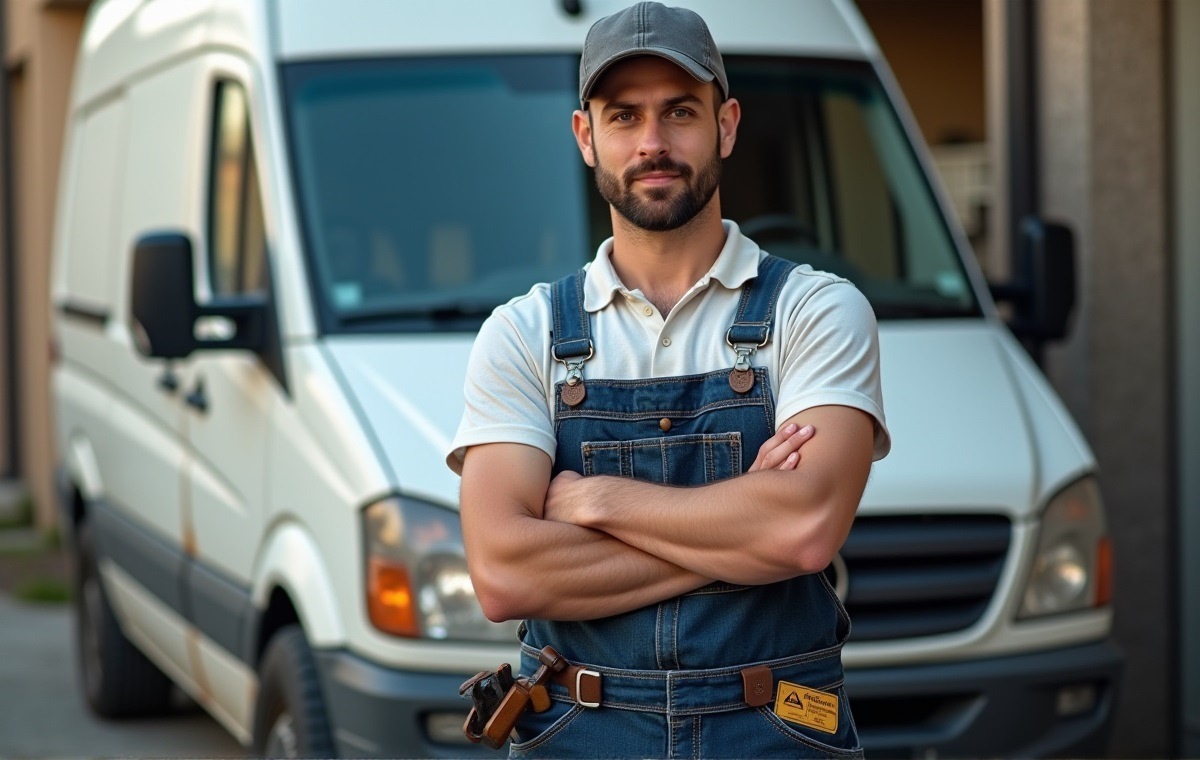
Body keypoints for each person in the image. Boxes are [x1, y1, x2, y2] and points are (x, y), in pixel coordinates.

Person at [447, 2, 891, 756]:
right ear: (586, 137)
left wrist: (595, 500)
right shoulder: (522, 334)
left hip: (778, 727)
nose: (653, 143)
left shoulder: (817, 310)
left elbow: (805, 530)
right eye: (624, 116)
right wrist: (743, 525)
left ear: (727, 124)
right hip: (575, 728)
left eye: (680, 110)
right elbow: (504, 574)